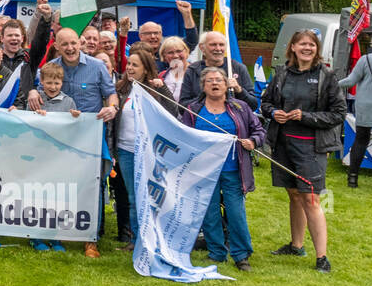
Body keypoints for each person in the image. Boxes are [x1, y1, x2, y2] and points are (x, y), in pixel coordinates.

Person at [260, 29, 346, 272]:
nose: (307, 48)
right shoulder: (282, 73)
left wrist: (305, 116)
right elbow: (265, 102)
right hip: (283, 144)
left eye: (312, 45)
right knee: (294, 195)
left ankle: (322, 257)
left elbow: (338, 113)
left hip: (312, 147)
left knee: (311, 198)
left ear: (317, 49)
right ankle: (296, 245)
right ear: (293, 47)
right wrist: (273, 112)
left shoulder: (326, 76)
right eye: (302, 44)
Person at [27, 27, 118, 257]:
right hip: (58, 141)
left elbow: (111, 93)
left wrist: (113, 107)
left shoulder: (97, 67)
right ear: (56, 45)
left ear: (81, 42)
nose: (69, 48)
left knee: (93, 186)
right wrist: (32, 92)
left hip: (90, 137)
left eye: (73, 43)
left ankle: (91, 239)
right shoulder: (52, 69)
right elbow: (40, 93)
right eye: (64, 44)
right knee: (55, 186)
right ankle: (55, 232)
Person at [181, 67, 264, 270]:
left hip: (233, 169)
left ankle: (241, 254)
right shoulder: (193, 109)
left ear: (227, 85)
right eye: (210, 81)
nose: (215, 84)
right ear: (203, 86)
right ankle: (217, 252)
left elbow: (260, 131)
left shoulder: (240, 107)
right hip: (204, 171)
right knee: (209, 213)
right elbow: (183, 137)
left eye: (219, 80)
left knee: (235, 212)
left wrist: (253, 141)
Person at [112, 51, 178, 249]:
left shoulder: (155, 89)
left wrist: (163, 88)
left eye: (135, 65)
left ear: (146, 69)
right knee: (133, 196)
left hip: (149, 152)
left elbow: (173, 111)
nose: (130, 68)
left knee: (150, 197)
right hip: (125, 150)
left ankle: (155, 237)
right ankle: (136, 239)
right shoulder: (121, 88)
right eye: (129, 64)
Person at [25, 61, 81, 251]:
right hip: (38, 157)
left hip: (58, 159)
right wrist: (35, 115)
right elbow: (24, 124)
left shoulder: (69, 102)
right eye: (49, 83)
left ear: (62, 83)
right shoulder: (34, 99)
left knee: (57, 198)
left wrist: (75, 118)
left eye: (56, 83)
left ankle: (55, 237)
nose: (53, 87)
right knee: (37, 197)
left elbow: (75, 129)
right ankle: (36, 236)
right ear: (41, 81)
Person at [338, 34, 372, 188]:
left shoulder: (365, 60)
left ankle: (353, 178)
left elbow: (351, 81)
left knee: (361, 141)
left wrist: (332, 83)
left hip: (365, 106)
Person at [179, 32, 256, 109]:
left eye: (221, 45)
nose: (218, 49)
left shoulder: (239, 68)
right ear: (202, 47)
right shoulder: (193, 70)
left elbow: (253, 105)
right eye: (213, 45)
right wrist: (205, 96)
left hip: (234, 119)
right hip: (201, 118)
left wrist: (239, 91)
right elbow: (182, 107)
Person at [157, 36, 192, 101]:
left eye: (179, 51)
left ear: (186, 52)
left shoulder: (197, 73)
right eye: (170, 53)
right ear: (164, 56)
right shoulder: (161, 76)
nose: (175, 56)